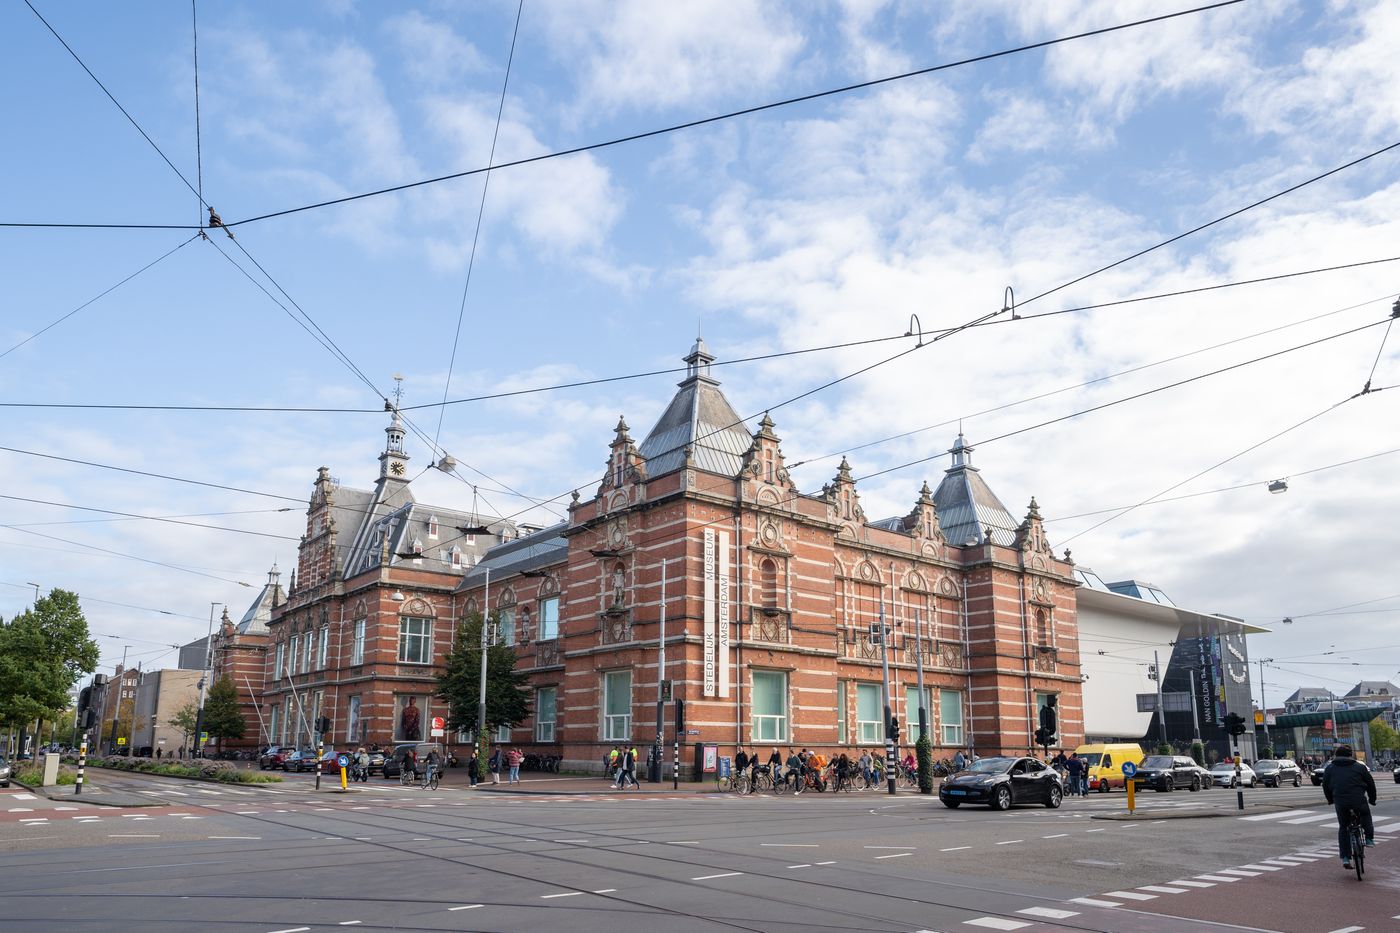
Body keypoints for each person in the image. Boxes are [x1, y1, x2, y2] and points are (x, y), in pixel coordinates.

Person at [1322, 744, 1377, 868]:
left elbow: (1325, 786)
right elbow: (1370, 784)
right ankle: (1369, 838)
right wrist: (1372, 800)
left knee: (1343, 827)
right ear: (1350, 755)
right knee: (1365, 815)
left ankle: (1346, 858)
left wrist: (1330, 800)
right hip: (1358, 800)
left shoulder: (1330, 768)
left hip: (1340, 802)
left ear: (1336, 755)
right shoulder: (1360, 767)